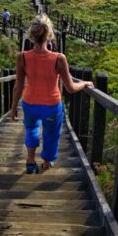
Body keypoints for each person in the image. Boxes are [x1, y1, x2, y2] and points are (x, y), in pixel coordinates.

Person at [10, 13, 94, 173]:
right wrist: (84, 83)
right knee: (51, 134)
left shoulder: (22, 57)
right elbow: (70, 88)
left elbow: (18, 86)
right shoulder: (59, 58)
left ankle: (30, 161)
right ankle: (47, 163)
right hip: (51, 107)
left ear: (31, 35)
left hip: (29, 104)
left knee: (31, 129)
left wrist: (13, 107)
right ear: (50, 35)